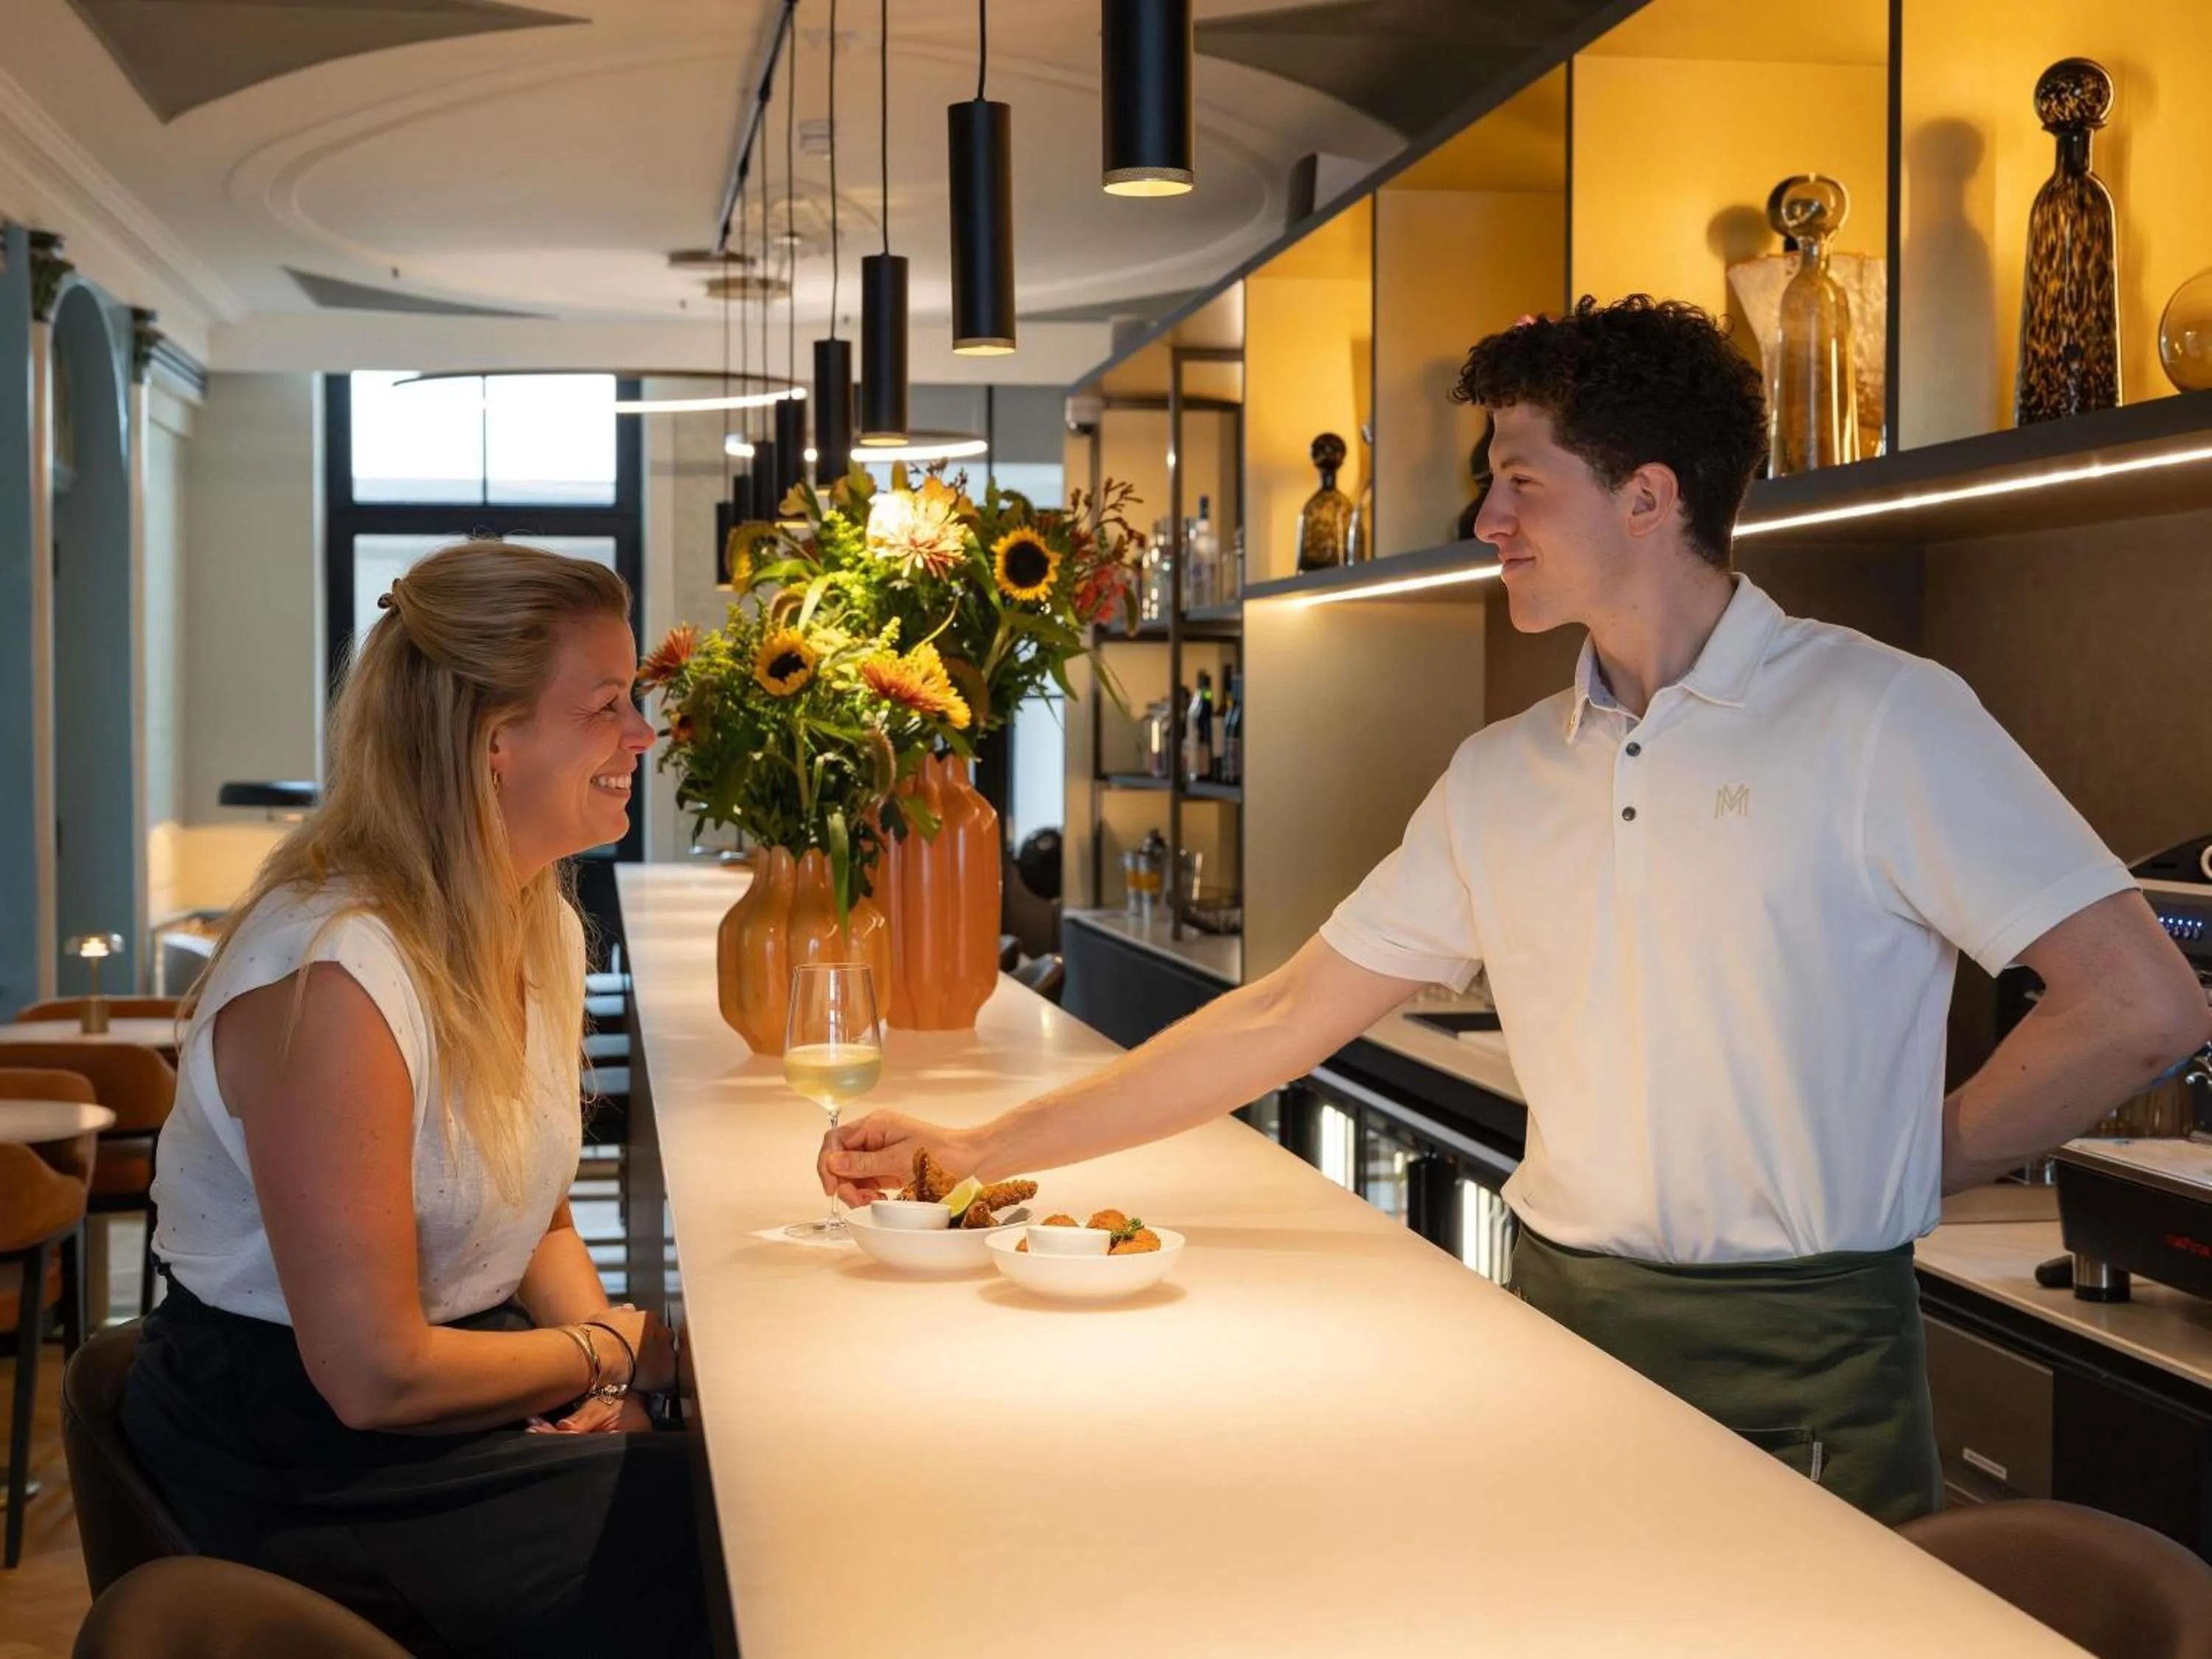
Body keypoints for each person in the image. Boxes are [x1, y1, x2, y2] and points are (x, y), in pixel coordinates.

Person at [821, 296, 2212, 1525]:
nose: (1486, 522)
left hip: (1813, 1367)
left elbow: (2143, 1002)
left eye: (1519, 483)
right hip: (1550, 1332)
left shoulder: (1881, 718)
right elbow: (1290, 1012)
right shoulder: (1503, 774)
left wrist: (1919, 1158)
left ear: (1650, 496)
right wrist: (981, 1148)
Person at [124, 542, 709, 1658]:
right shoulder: (336, 976)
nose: (643, 734)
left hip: (448, 1387)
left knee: (723, 1486)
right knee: (717, 1542)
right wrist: (619, 1351)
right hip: (298, 1457)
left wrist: (608, 1367)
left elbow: (529, 1206)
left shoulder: (527, 913)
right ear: (494, 743)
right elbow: (373, 1372)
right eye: (606, 705)